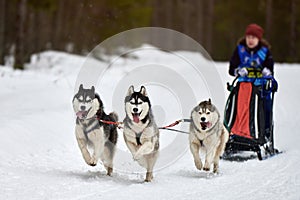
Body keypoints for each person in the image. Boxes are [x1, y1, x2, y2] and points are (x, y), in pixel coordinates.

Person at [228, 23, 275, 139]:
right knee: (237, 109)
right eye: (248, 37)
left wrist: (267, 72)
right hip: (243, 87)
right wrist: (238, 71)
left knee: (266, 109)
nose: (250, 40)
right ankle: (236, 133)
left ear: (259, 39)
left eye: (253, 38)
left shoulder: (265, 52)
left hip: (261, 88)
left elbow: (270, 71)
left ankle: (265, 135)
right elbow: (231, 69)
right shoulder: (240, 49)